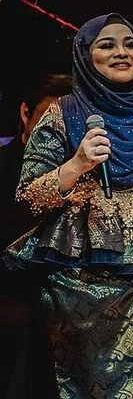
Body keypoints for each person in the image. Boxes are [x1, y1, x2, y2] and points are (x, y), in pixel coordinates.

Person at [5, 13, 133, 398]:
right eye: (107, 44)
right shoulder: (61, 114)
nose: (121, 52)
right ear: (85, 55)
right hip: (81, 285)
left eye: (130, 44)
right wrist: (77, 164)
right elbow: (30, 195)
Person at [0, 72, 72, 398]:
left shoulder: (83, 167)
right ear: (25, 113)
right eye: (45, 118)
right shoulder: (4, 166)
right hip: (17, 287)